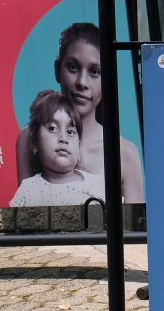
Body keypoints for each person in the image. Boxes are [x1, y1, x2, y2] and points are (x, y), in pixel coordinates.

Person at [14, 23, 145, 202]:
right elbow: (30, 210)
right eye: (73, 67)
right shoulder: (29, 139)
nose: (82, 82)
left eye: (94, 72)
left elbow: (134, 220)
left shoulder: (125, 153)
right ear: (57, 70)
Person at [11, 90, 106, 206]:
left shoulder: (97, 185)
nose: (63, 138)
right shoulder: (28, 191)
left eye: (70, 132)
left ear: (79, 145)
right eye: (52, 128)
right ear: (35, 143)